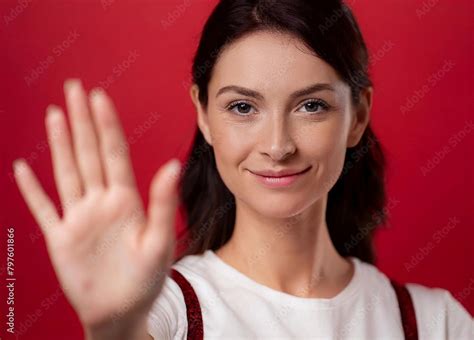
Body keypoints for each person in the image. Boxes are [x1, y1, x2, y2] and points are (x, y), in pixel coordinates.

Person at [13, 0, 473, 339]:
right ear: (203, 114)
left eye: (312, 105)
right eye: (242, 106)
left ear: (357, 116)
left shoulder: (435, 322)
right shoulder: (165, 310)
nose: (277, 146)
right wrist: (114, 328)